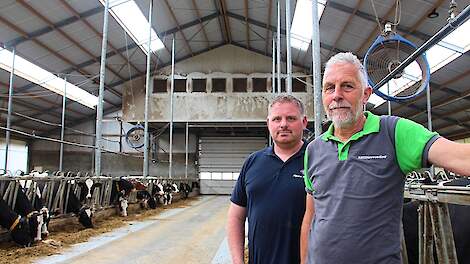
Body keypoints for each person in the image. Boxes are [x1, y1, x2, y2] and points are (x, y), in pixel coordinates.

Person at [300, 52, 470, 264]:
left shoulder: (393, 132)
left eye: (347, 86)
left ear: (365, 94)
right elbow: (311, 215)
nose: (336, 95)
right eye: (329, 88)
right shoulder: (314, 149)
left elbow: (461, 157)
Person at [227, 95, 308, 264]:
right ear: (268, 123)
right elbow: (235, 216)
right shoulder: (253, 162)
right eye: (277, 119)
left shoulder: (317, 159)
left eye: (291, 118)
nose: (283, 124)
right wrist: (237, 261)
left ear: (304, 122)